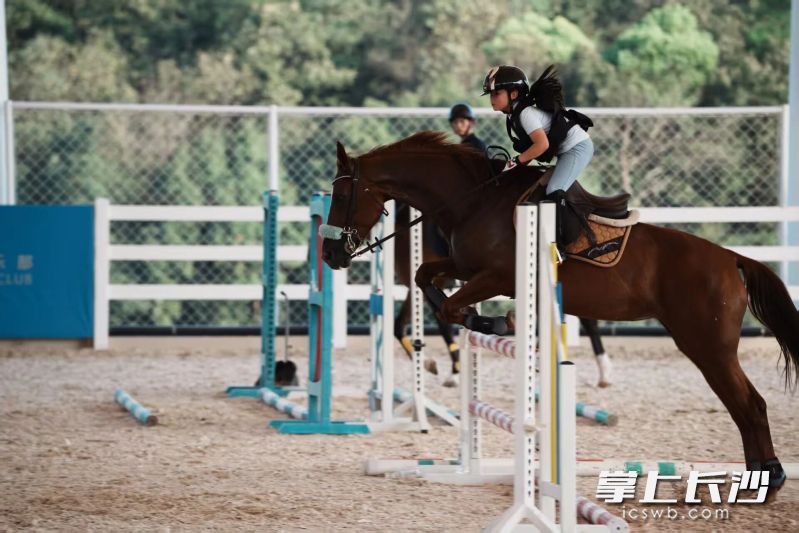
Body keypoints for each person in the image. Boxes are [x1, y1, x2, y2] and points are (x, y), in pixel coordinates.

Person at [482, 64, 594, 255]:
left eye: (496, 94)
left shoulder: (525, 114)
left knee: (554, 190)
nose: (492, 100)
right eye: (491, 95)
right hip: (567, 150)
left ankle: (559, 247)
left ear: (514, 94)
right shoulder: (513, 116)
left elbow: (542, 146)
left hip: (577, 148)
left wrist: (517, 161)